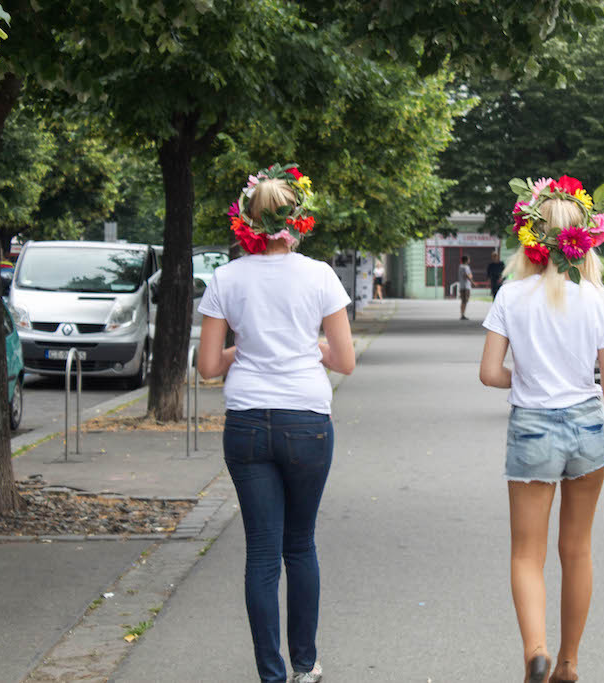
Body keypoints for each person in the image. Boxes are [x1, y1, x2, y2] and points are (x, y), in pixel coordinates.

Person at [480, 174, 604, 683]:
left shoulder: (512, 295)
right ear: (584, 238)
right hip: (586, 428)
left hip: (533, 427)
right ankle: (570, 663)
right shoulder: (598, 299)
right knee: (576, 549)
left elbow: (489, 373)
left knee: (526, 554)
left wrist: (528, 376)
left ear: (531, 236)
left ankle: (536, 651)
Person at [196, 163, 355, 683]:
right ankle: (306, 666)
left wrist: (246, 347)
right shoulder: (320, 275)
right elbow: (345, 361)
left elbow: (208, 367)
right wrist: (309, 345)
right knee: (300, 544)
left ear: (246, 221)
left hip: (246, 422)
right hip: (306, 418)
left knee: (261, 551)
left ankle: (272, 673)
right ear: (298, 220)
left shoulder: (226, 278)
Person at [458, 254, 475, 320]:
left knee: (463, 301)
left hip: (462, 286)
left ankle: (462, 314)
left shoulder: (460, 266)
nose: (469, 260)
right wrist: (473, 282)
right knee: (465, 301)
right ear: (466, 260)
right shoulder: (466, 267)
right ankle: (463, 315)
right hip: (466, 286)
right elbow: (467, 275)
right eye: (469, 259)